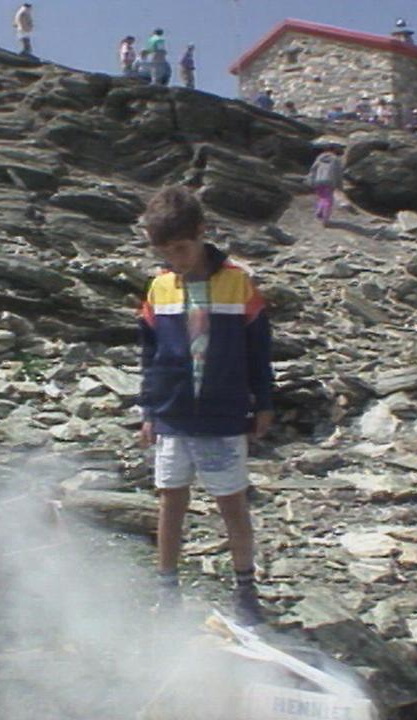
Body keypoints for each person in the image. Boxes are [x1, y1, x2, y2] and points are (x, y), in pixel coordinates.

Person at [137, 186, 274, 627]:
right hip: (173, 414)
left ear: (201, 233)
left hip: (223, 415)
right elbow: (149, 354)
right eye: (166, 252)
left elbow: (259, 350)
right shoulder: (159, 288)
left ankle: (246, 589)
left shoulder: (238, 283)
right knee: (170, 501)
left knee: (231, 504)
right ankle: (166, 589)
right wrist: (148, 410)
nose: (176, 259)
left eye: (182, 248)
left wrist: (264, 402)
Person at [307, 147, 343, 226]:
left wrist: (311, 180)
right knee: (328, 200)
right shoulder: (336, 160)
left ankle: (319, 213)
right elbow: (338, 174)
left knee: (322, 197)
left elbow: (313, 169)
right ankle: (325, 220)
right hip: (329, 181)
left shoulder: (319, 158)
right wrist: (340, 186)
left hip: (318, 180)